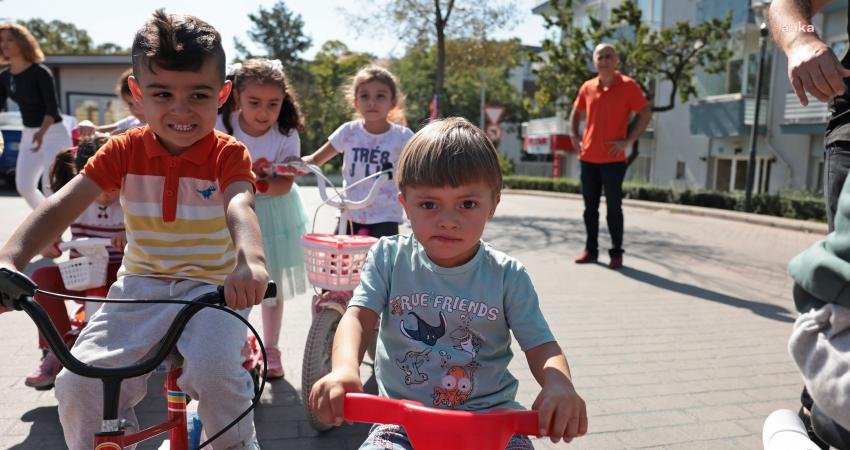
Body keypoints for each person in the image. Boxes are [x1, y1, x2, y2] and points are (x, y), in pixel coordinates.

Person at [0, 11, 269, 450]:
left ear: (222, 95)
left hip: (213, 289)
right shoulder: (123, 150)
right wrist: (9, 260)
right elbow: (61, 203)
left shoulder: (227, 154)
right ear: (137, 93)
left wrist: (251, 262)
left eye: (198, 95)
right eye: (162, 94)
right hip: (139, 289)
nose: (180, 111)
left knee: (217, 375)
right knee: (79, 383)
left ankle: (236, 446)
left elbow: (240, 203)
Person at [309, 117, 588, 449]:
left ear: (492, 205)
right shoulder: (388, 257)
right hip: (401, 423)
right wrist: (344, 369)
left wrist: (559, 385)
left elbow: (542, 345)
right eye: (428, 204)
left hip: (492, 421)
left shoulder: (507, 276)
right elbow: (359, 317)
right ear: (405, 206)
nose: (447, 221)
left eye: (467, 204)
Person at [216, 58, 309, 379]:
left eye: (273, 103)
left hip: (273, 214)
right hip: (228, 210)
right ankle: (239, 345)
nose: (264, 112)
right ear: (237, 96)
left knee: (271, 286)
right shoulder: (221, 124)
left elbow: (285, 185)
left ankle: (272, 348)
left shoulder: (286, 133)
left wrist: (259, 181)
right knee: (233, 282)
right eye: (254, 102)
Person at [25, 135, 126, 390]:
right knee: (42, 279)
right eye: (100, 184)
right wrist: (50, 243)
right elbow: (47, 241)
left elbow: (151, 234)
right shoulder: (73, 200)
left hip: (118, 274)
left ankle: (115, 354)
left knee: (116, 289)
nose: (108, 193)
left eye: (115, 184)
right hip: (79, 274)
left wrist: (130, 236)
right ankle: (57, 346)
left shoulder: (131, 202)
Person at [302, 65, 413, 238]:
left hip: (385, 215)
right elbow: (316, 159)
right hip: (350, 210)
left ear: (393, 102)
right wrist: (296, 164)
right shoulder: (348, 132)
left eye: (380, 96)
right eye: (364, 96)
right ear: (355, 102)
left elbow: (419, 165)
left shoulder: (402, 137)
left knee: (384, 261)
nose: (372, 102)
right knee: (336, 261)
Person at [569, 43, 652, 270]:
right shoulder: (587, 87)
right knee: (590, 209)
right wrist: (574, 136)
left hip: (614, 161)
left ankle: (616, 253)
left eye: (608, 56)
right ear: (594, 61)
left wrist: (629, 141)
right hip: (588, 159)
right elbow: (575, 113)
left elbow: (645, 113)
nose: (604, 60)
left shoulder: (628, 86)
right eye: (600, 57)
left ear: (615, 61)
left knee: (614, 209)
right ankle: (591, 250)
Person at [0, 23, 73, 209]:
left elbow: (52, 110)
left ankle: (56, 233)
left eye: (10, 39)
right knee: (24, 186)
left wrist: (41, 133)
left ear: (23, 42)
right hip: (29, 133)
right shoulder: (4, 77)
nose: (4, 44)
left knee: (51, 188)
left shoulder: (40, 72)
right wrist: (34, 134)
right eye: (1, 40)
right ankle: (47, 223)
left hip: (54, 132)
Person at [76, 68, 147, 139]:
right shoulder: (131, 121)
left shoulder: (154, 127)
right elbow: (98, 129)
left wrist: (110, 135)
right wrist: (87, 124)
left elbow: (119, 134)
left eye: (139, 102)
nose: (135, 108)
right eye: (130, 104)